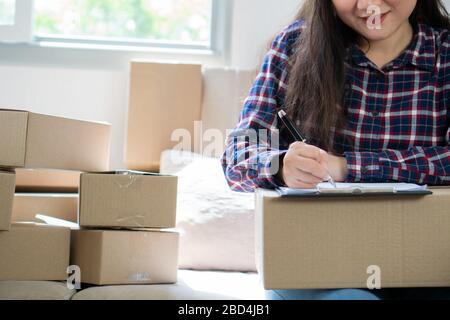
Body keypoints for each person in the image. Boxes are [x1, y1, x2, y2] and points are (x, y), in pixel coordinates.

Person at [221, 0, 450, 300]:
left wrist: (343, 167)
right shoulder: (294, 44)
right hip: (315, 264)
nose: (369, 4)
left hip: (426, 263)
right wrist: (280, 165)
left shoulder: (444, 54)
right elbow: (237, 157)